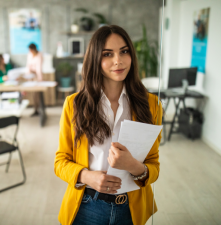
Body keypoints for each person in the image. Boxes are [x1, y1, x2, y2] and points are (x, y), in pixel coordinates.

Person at [54, 25, 162, 225]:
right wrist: (86, 176)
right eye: (107, 54)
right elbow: (61, 162)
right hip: (87, 205)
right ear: (95, 59)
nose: (118, 61)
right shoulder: (75, 104)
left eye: (124, 51)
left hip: (132, 208)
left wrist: (135, 167)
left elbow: (154, 164)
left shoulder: (151, 105)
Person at [25, 43, 43, 116]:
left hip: (37, 76)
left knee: (36, 94)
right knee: (32, 94)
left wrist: (40, 79)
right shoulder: (29, 54)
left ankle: (37, 109)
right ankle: (35, 109)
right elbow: (28, 65)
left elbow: (39, 68)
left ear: (34, 49)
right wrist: (27, 74)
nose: (30, 51)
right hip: (30, 76)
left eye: (31, 50)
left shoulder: (39, 55)